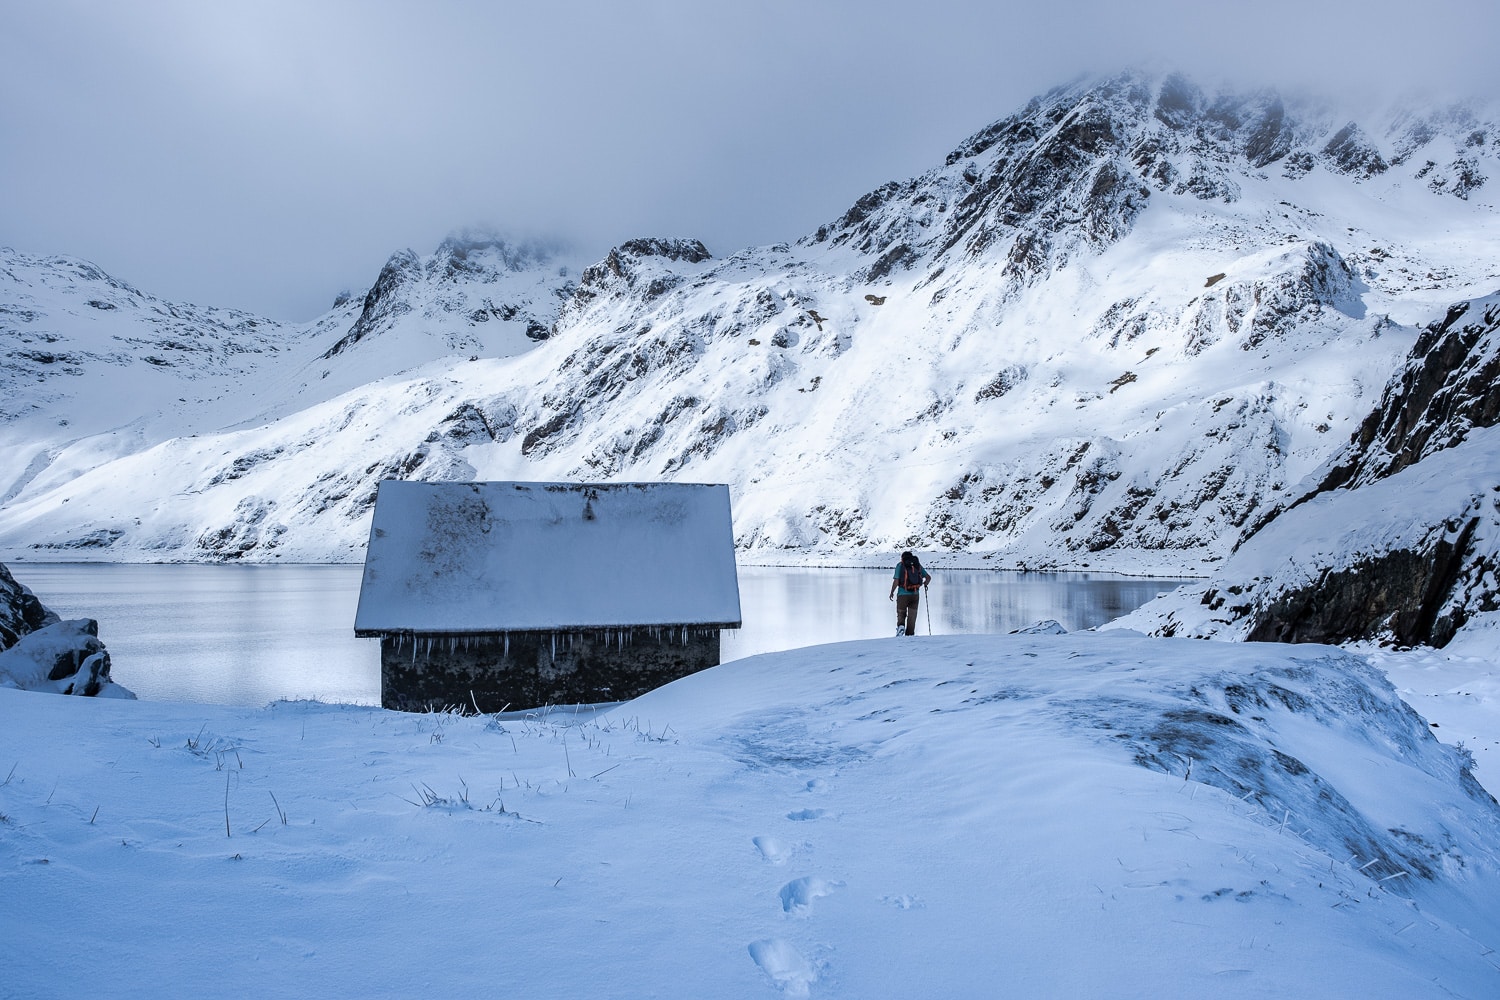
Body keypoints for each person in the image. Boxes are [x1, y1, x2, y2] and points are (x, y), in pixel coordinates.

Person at [887, 550, 931, 636]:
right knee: (912, 616)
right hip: (915, 594)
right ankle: (910, 635)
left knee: (901, 613)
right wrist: (924, 584)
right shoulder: (917, 565)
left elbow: (896, 580)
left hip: (902, 594)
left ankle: (901, 628)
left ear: (902, 558)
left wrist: (892, 591)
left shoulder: (900, 565)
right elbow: (928, 577)